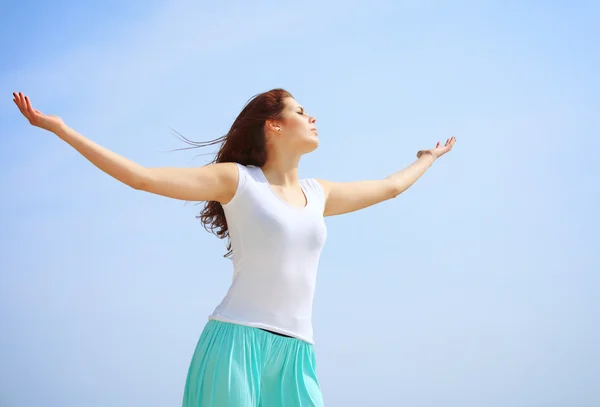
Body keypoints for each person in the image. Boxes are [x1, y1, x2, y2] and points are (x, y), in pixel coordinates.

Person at [13, 89, 456, 406]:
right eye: (302, 111)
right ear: (275, 124)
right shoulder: (238, 181)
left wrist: (426, 159)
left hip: (297, 352)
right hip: (236, 347)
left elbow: (388, 189)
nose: (313, 117)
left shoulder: (319, 193)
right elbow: (142, 176)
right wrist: (61, 130)